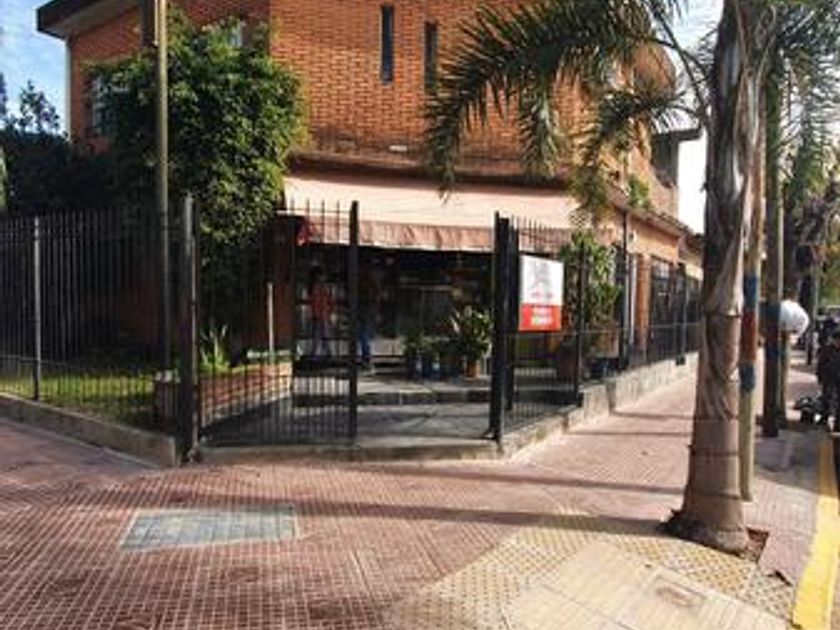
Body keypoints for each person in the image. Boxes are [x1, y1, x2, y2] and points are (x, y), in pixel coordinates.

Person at [357, 266, 380, 372]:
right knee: (365, 338)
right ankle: (367, 361)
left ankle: (367, 361)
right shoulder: (373, 287)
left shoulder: (363, 287)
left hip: (364, 314)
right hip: (368, 314)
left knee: (363, 338)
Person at [816, 330, 840, 428]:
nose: (838, 342)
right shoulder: (827, 350)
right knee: (826, 398)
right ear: (833, 340)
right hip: (829, 378)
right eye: (837, 340)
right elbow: (820, 364)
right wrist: (819, 376)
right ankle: (824, 418)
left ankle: (837, 423)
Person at [309, 268, 332, 358]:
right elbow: (323, 301)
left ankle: (319, 353)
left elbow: (317, 301)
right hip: (321, 314)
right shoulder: (321, 287)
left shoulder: (318, 287)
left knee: (319, 334)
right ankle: (326, 352)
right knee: (322, 334)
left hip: (320, 314)